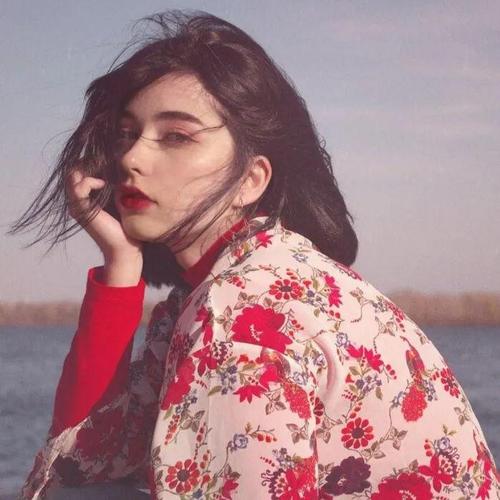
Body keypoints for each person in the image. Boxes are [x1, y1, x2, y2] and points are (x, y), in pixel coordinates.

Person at [9, 9, 499, 500]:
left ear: (251, 179)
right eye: (125, 134)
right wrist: (121, 264)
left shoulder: (244, 309)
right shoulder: (248, 278)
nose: (131, 158)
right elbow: (84, 462)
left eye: (176, 136)